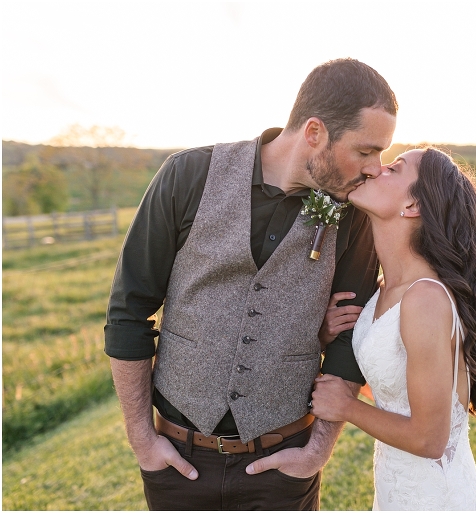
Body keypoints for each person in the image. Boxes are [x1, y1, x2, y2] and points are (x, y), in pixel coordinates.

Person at [104, 58, 397, 510]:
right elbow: (128, 311)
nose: (376, 168)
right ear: (315, 133)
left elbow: (350, 338)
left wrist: (316, 452)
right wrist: (143, 441)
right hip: (178, 463)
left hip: (283, 468)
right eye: (366, 151)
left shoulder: (353, 213)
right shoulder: (188, 176)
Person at [310, 148, 476, 510]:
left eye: (395, 168)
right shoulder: (387, 288)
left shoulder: (425, 298)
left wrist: (347, 407)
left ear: (413, 205)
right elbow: (396, 386)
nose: (376, 168)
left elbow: (430, 439)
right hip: (398, 491)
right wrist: (325, 339)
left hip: (434, 498)